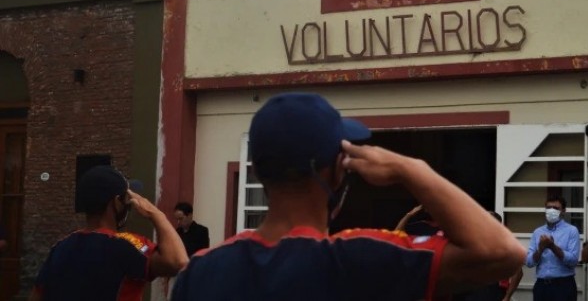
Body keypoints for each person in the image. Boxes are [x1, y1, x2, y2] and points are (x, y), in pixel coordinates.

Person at [170, 92, 524, 300]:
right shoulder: (360, 259)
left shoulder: (199, 273)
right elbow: (503, 253)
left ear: (259, 172)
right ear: (338, 171)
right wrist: (411, 169)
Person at [30, 165, 187, 301]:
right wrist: (155, 213)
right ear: (116, 202)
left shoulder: (59, 248)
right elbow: (178, 262)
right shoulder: (128, 244)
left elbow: (37, 296)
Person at [525, 196, 581, 301]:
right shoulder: (538, 232)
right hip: (542, 286)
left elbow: (573, 261)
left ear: (563, 211)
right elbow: (529, 262)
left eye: (555, 208)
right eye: (548, 207)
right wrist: (540, 249)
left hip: (563, 286)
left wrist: (553, 247)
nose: (551, 211)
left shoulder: (571, 231)